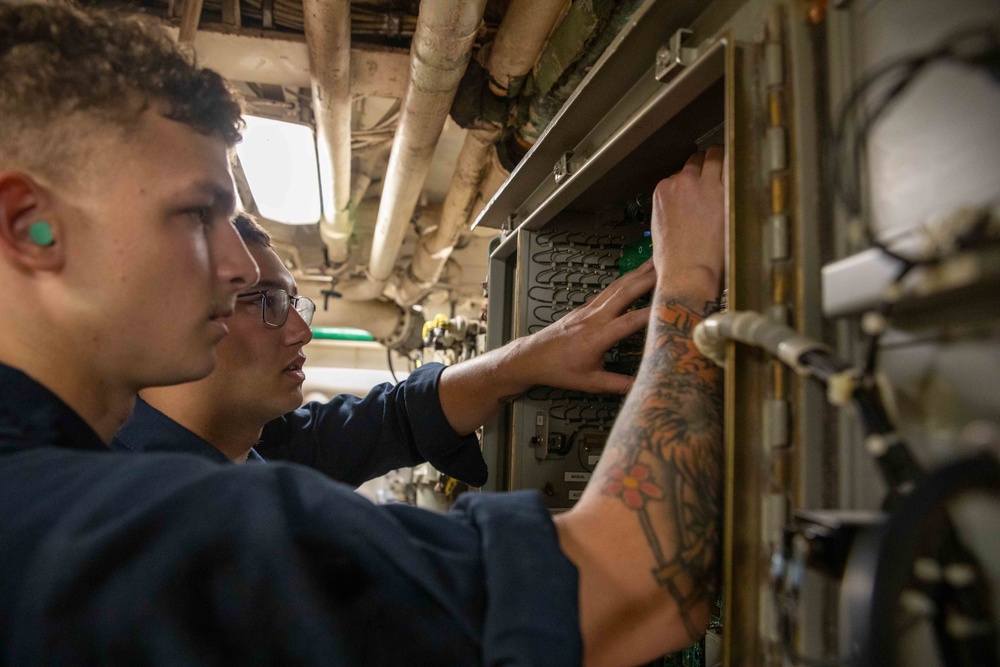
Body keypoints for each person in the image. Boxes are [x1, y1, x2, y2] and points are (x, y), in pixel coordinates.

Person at [0, 3, 724, 664]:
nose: (231, 265)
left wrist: (527, 358)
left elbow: (375, 424)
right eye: (195, 214)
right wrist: (688, 287)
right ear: (29, 228)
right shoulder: (132, 536)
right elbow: (634, 582)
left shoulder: (125, 466)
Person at [114, 212, 654, 487]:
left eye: (298, 306)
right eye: (269, 302)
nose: (300, 333)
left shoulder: (257, 449)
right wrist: (682, 300)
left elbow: (390, 422)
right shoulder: (134, 518)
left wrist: (523, 361)